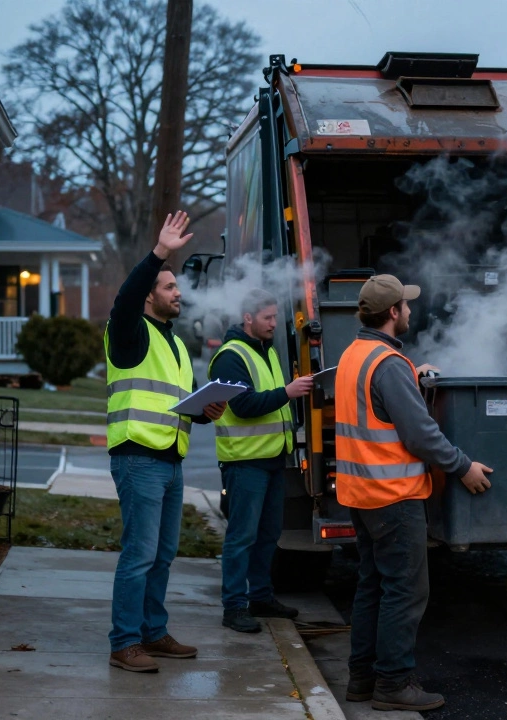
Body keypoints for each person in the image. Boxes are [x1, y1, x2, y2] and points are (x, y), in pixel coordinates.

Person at [335, 274, 494, 713]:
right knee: (405, 591)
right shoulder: (388, 364)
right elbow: (421, 434)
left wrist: (412, 381)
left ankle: (362, 679)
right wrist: (463, 467)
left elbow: (379, 410)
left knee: (372, 587)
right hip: (394, 496)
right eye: (404, 305)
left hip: (362, 494)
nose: (409, 310)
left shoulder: (354, 355)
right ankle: (394, 683)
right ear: (392, 313)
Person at [105, 211, 227, 673]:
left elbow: (171, 403)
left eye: (178, 287)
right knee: (139, 555)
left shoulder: (173, 342)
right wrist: (158, 253)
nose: (179, 294)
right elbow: (124, 299)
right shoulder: (129, 333)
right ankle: (124, 643)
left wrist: (204, 409)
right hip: (138, 459)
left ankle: (153, 632)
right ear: (150, 297)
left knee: (162, 554)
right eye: (170, 287)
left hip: (169, 460)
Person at [208, 288, 314, 633]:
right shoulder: (231, 356)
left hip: (270, 461)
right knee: (242, 537)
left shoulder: (264, 351)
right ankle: (234, 606)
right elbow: (243, 405)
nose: (274, 323)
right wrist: (288, 391)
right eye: (267, 318)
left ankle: (262, 598)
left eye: (274, 316)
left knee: (268, 534)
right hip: (245, 463)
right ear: (248, 318)